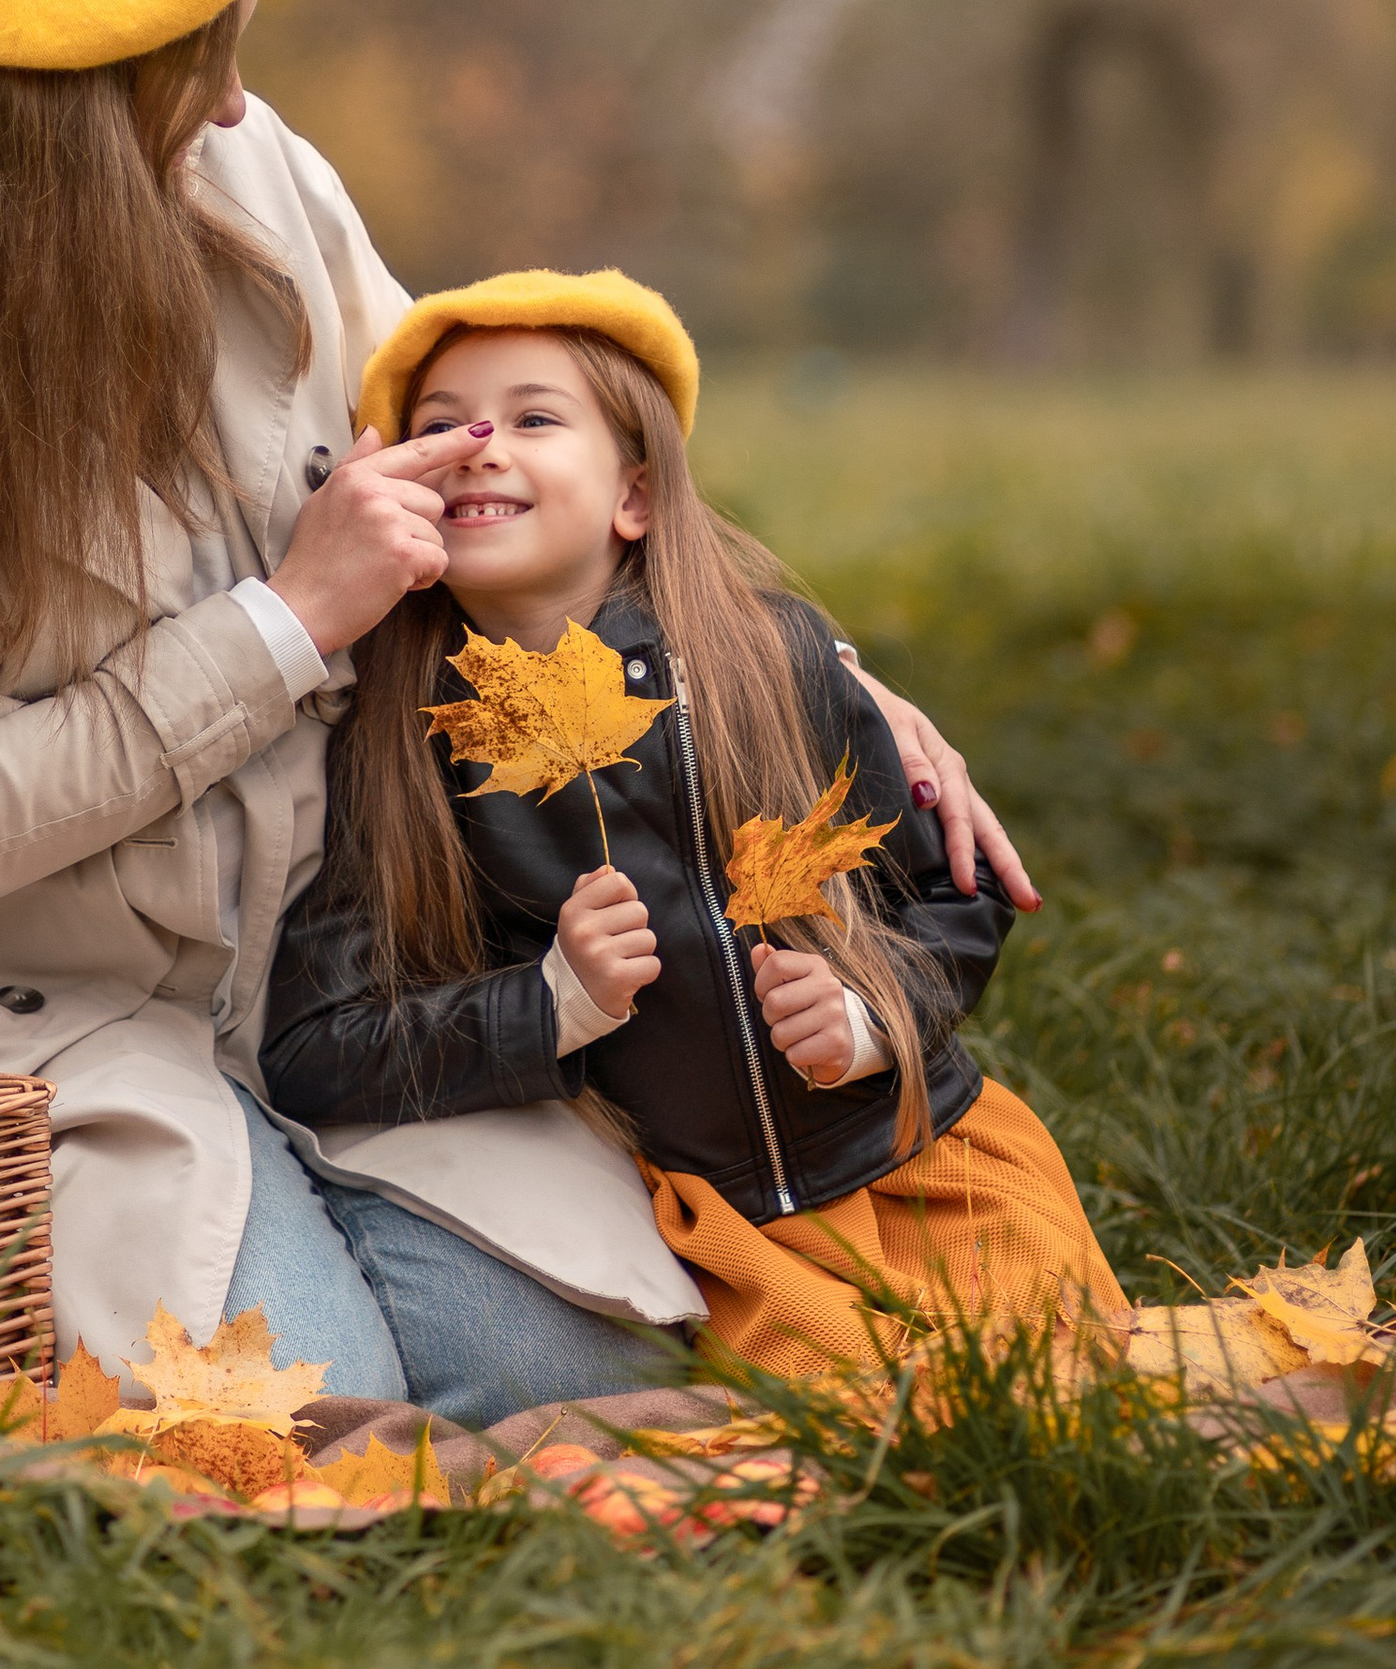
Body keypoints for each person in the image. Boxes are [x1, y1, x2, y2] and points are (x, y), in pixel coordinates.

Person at [0, 0, 1037, 1407]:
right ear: (59, 122)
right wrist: (286, 621)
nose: (238, 106)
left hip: (375, 972)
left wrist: (823, 686)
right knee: (306, 1418)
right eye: (195, 69)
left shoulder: (250, 173)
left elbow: (507, 490)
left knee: (583, 1373)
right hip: (51, 1018)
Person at [261, 270, 1127, 1397]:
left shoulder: (774, 663)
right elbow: (313, 1045)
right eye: (442, 427)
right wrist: (549, 1005)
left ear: (636, 495)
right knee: (848, 1440)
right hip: (718, 1235)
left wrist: (870, 1019)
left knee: (1080, 1398)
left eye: (531, 417)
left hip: (929, 1163)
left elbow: (948, 898)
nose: (478, 445)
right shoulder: (408, 749)